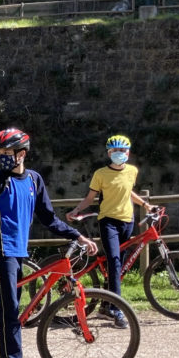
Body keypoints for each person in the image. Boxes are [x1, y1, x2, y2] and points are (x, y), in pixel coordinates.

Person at [0, 128, 98, 358]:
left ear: (22, 154)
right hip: (2, 253)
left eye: (7, 153)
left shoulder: (34, 180)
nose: (2, 158)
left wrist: (77, 235)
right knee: (10, 312)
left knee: (7, 307)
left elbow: (49, 218)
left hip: (19, 251)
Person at [65, 135, 154, 329]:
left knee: (118, 267)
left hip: (127, 221)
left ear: (128, 152)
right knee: (114, 261)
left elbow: (128, 191)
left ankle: (106, 304)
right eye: (115, 151)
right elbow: (90, 198)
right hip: (108, 222)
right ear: (109, 153)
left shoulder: (132, 171)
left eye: (122, 151)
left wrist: (145, 205)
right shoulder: (100, 174)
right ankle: (116, 309)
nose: (119, 154)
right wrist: (76, 210)